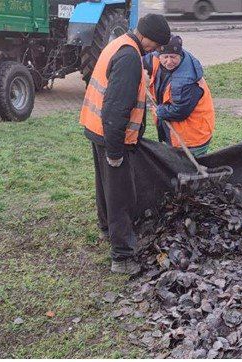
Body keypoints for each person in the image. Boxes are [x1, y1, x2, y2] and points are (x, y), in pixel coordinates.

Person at [80, 13, 172, 276]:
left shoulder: (121, 42)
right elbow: (115, 109)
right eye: (155, 45)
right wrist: (116, 152)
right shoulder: (130, 57)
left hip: (97, 128)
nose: (156, 51)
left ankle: (107, 229)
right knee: (121, 195)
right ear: (146, 38)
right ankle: (122, 258)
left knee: (106, 186)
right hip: (112, 134)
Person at [144, 35, 215, 156]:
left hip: (192, 139)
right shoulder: (156, 58)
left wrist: (159, 111)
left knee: (189, 170)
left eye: (173, 57)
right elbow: (143, 60)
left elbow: (179, 112)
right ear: (159, 55)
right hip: (175, 134)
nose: (169, 61)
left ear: (180, 55)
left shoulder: (186, 81)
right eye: (165, 57)